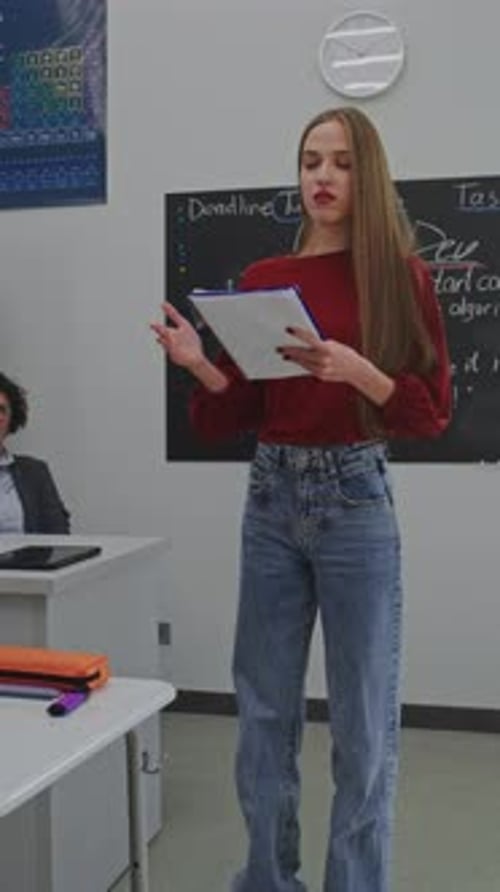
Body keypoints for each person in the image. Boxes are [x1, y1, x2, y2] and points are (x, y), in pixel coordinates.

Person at [151, 107, 451, 892]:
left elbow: (430, 413)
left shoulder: (401, 276)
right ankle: (266, 879)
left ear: (369, 174)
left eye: (342, 163)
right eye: (311, 161)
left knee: (362, 726)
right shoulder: (261, 282)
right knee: (263, 716)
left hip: (356, 502)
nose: (323, 177)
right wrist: (198, 363)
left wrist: (359, 372)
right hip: (271, 500)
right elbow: (234, 414)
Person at [0, 372, 70, 533]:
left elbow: (59, 537)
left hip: (27, 559)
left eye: (1, 409)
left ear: (12, 418)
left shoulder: (35, 472)